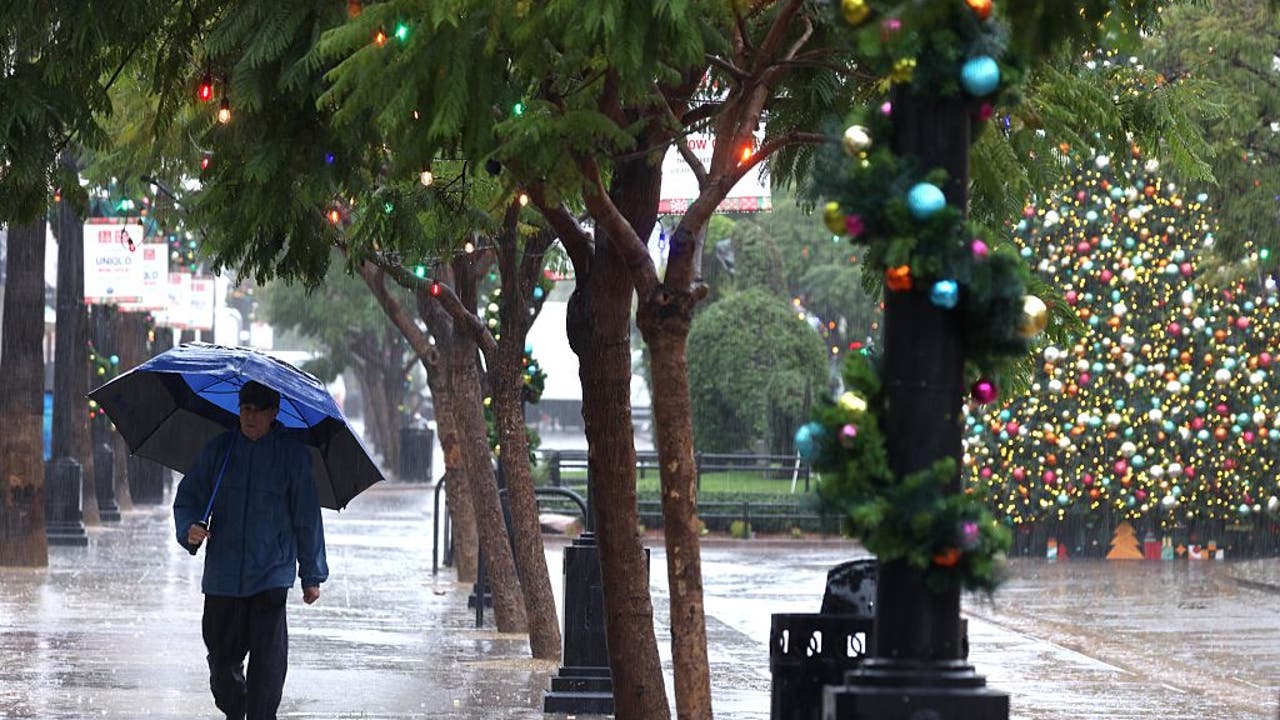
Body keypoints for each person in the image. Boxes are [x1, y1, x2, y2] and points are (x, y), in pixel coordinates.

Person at [173, 380, 328, 720]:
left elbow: (307, 518)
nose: (250, 417)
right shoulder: (219, 451)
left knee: (268, 665)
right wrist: (190, 529)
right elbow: (188, 500)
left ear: (274, 414)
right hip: (223, 576)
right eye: (245, 410)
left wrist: (311, 575)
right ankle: (237, 706)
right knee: (221, 660)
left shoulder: (292, 457)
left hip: (271, 573)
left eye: (258, 411)